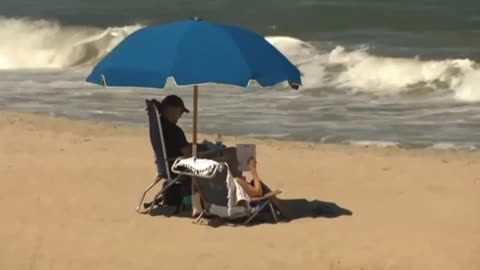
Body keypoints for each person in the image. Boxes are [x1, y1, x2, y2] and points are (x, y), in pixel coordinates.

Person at [152, 94, 241, 175]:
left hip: (170, 164)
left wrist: (201, 147)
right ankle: (236, 188)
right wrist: (205, 149)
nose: (180, 116)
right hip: (181, 166)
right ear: (172, 109)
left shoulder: (162, 126)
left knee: (220, 151)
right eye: (181, 112)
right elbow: (187, 151)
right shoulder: (173, 130)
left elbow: (181, 147)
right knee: (233, 153)